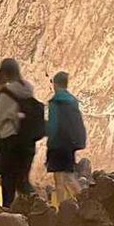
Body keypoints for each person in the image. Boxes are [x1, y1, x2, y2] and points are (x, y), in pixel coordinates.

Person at [0, 58, 39, 207]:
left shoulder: (6, 94)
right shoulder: (28, 89)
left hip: (10, 143)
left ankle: (7, 216)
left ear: (5, 75)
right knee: (23, 179)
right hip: (28, 142)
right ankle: (36, 208)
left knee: (8, 181)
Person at [46, 71, 86, 204]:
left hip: (58, 143)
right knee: (69, 174)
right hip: (70, 143)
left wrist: (50, 143)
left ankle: (63, 207)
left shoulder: (55, 102)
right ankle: (83, 200)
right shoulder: (73, 101)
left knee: (59, 178)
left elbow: (53, 125)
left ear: (56, 84)